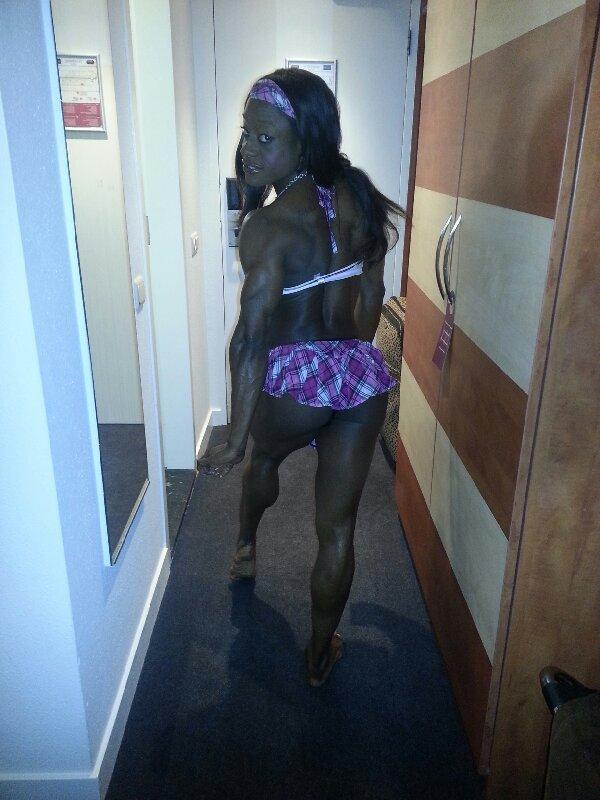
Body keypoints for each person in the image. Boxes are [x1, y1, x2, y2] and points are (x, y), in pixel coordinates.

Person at [197, 69, 405, 687]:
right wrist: (349, 355)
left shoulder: (267, 226)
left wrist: (235, 438)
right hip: (358, 380)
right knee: (337, 528)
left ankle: (245, 546)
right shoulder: (358, 195)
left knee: (263, 461)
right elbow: (373, 289)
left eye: (265, 139)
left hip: (291, 385)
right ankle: (318, 655)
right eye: (246, 134)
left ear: (305, 140)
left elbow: (251, 337)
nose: (248, 150)